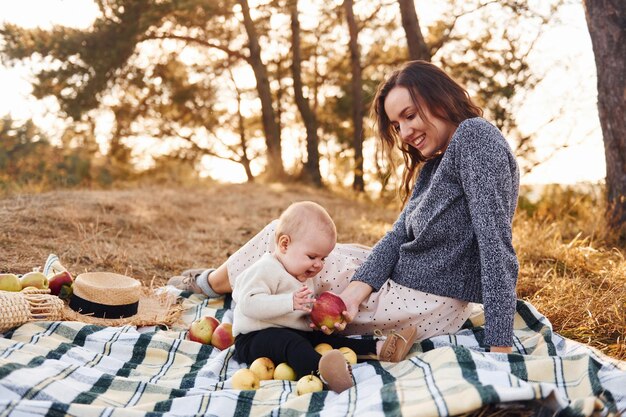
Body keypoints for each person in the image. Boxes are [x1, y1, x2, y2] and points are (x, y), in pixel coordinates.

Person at [169, 60, 519, 354]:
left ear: (439, 98)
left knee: (280, 240)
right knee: (296, 246)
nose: (405, 132)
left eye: (410, 115)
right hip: (405, 287)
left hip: (420, 299)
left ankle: (211, 283)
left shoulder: (475, 136)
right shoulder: (435, 167)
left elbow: (496, 246)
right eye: (397, 125)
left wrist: (499, 348)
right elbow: (398, 237)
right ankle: (220, 284)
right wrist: (354, 293)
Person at [228, 201, 417, 393]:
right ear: (285, 244)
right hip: (253, 338)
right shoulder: (265, 268)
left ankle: (379, 348)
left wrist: (313, 318)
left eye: (323, 259)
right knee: (293, 344)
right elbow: (248, 303)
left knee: (327, 341)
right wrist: (289, 302)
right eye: (312, 257)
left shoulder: (301, 274)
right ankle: (324, 374)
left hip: (287, 331)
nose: (318, 265)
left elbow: (293, 315)